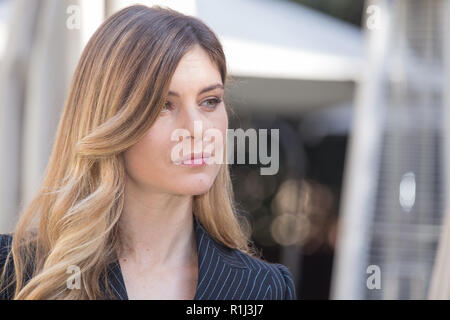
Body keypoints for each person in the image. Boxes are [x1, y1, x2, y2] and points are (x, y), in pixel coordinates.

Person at [0, 4, 296, 300]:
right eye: (163, 105)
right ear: (110, 120)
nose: (196, 129)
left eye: (209, 101)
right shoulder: (16, 273)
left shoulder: (263, 288)